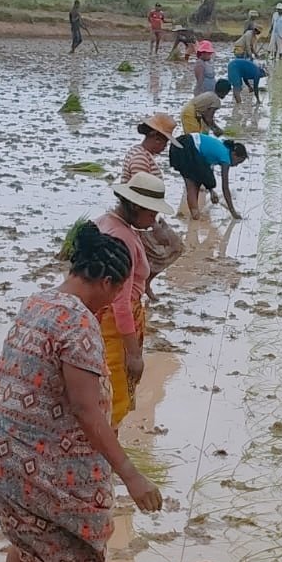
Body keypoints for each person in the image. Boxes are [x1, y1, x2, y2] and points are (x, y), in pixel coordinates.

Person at [0, 221, 164, 562]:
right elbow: (86, 410)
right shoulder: (78, 324)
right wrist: (131, 475)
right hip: (18, 461)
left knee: (27, 543)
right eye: (116, 294)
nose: (111, 304)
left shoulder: (39, 302)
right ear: (105, 281)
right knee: (49, 558)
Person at [94, 173, 176, 428]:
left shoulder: (104, 222)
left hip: (98, 315)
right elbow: (120, 302)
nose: (153, 221)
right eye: (151, 214)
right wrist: (133, 354)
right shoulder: (124, 239)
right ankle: (108, 445)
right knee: (114, 393)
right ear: (136, 206)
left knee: (99, 386)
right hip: (116, 324)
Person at [122, 114, 185, 299]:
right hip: (138, 218)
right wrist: (153, 225)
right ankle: (139, 285)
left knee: (149, 255)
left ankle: (143, 284)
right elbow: (140, 195)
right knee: (172, 246)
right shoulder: (140, 159)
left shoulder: (141, 153)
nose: (165, 147)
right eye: (165, 142)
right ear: (155, 137)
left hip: (146, 215)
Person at [169, 133, 248, 221]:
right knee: (193, 184)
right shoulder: (226, 158)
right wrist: (233, 213)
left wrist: (211, 191)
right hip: (188, 146)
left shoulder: (223, 148)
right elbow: (225, 187)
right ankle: (195, 216)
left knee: (195, 181)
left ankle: (195, 215)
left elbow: (206, 171)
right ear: (233, 154)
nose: (236, 165)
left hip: (180, 143)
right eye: (238, 162)